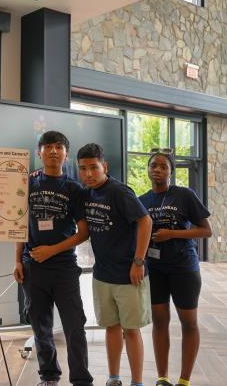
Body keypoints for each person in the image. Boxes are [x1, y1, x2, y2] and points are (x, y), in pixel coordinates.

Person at [14, 130, 94, 386]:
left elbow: (83, 233)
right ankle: (49, 375)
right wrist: (18, 260)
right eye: (47, 147)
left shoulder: (74, 189)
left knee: (74, 325)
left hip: (64, 268)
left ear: (65, 154)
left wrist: (53, 249)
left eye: (58, 147)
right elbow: (19, 225)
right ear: (39, 152)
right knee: (40, 326)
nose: (53, 151)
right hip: (32, 266)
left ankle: (81, 379)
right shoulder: (27, 184)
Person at [76, 143, 152, 386]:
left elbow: (145, 221)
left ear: (104, 166)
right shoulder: (87, 193)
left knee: (131, 330)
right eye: (83, 168)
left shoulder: (120, 192)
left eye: (93, 168)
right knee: (110, 327)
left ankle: (137, 382)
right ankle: (113, 377)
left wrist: (138, 261)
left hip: (129, 274)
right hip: (102, 275)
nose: (88, 173)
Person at [138, 150, 211, 386]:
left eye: (163, 166)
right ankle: (162, 378)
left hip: (184, 269)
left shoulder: (184, 195)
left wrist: (172, 234)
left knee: (188, 323)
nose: (157, 169)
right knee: (159, 322)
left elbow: (205, 230)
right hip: (155, 269)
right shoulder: (142, 200)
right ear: (148, 170)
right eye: (153, 165)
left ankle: (184, 380)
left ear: (171, 171)